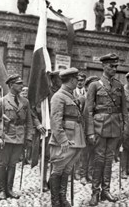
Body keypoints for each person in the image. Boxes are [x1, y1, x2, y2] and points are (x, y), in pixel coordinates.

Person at [86, 54, 127, 206]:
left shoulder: (118, 85)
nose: (114, 69)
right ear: (103, 66)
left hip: (115, 126)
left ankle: (106, 190)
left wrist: (124, 128)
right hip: (99, 127)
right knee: (99, 159)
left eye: (116, 66)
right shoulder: (95, 85)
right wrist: (90, 131)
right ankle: (95, 192)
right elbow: (88, 111)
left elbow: (124, 110)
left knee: (109, 159)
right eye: (111, 66)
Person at [0, 74, 34, 200]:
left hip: (19, 137)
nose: (21, 86)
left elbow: (29, 121)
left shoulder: (25, 102)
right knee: (3, 164)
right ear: (11, 85)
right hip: (5, 137)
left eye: (21, 83)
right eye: (19, 84)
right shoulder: (1, 101)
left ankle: (9, 189)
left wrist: (29, 137)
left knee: (13, 164)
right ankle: (2, 191)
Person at [48, 68, 86, 207]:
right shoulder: (59, 97)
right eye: (77, 79)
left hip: (76, 140)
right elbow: (55, 121)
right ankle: (55, 201)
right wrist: (63, 140)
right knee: (58, 170)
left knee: (67, 170)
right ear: (71, 80)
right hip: (64, 141)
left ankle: (62, 198)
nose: (78, 81)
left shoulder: (70, 95)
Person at [80, 76, 100, 185]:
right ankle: (83, 175)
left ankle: (90, 173)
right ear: (87, 87)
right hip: (84, 130)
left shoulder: (99, 101)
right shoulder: (83, 99)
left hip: (96, 129)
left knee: (94, 153)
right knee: (84, 154)